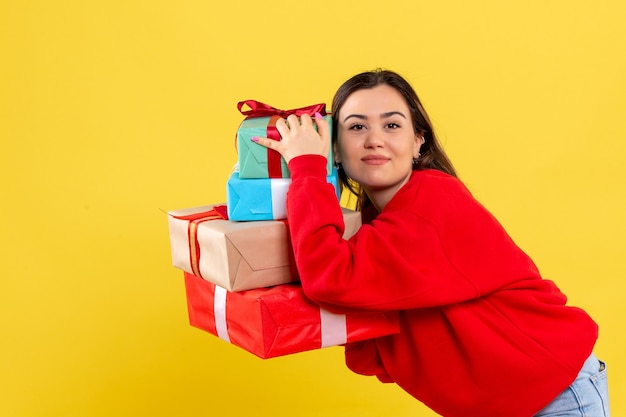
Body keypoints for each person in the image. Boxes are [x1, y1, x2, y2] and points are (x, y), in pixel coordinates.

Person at [251, 69, 610, 417]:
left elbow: (330, 279)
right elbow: (370, 347)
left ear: (418, 142)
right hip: (513, 403)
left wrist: (308, 167)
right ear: (337, 150)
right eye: (357, 126)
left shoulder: (433, 200)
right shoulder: (373, 227)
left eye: (392, 125)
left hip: (556, 397)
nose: (374, 139)